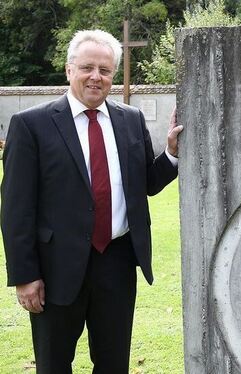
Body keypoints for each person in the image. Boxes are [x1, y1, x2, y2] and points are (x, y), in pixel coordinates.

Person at [1, 29, 183, 372]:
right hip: (55, 268)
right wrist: (25, 276)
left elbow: (145, 182)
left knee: (114, 364)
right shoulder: (31, 125)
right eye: (87, 67)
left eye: (105, 70)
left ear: (113, 74)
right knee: (54, 365)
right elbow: (15, 209)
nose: (96, 77)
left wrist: (172, 154)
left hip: (116, 261)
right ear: (69, 70)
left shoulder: (130, 119)